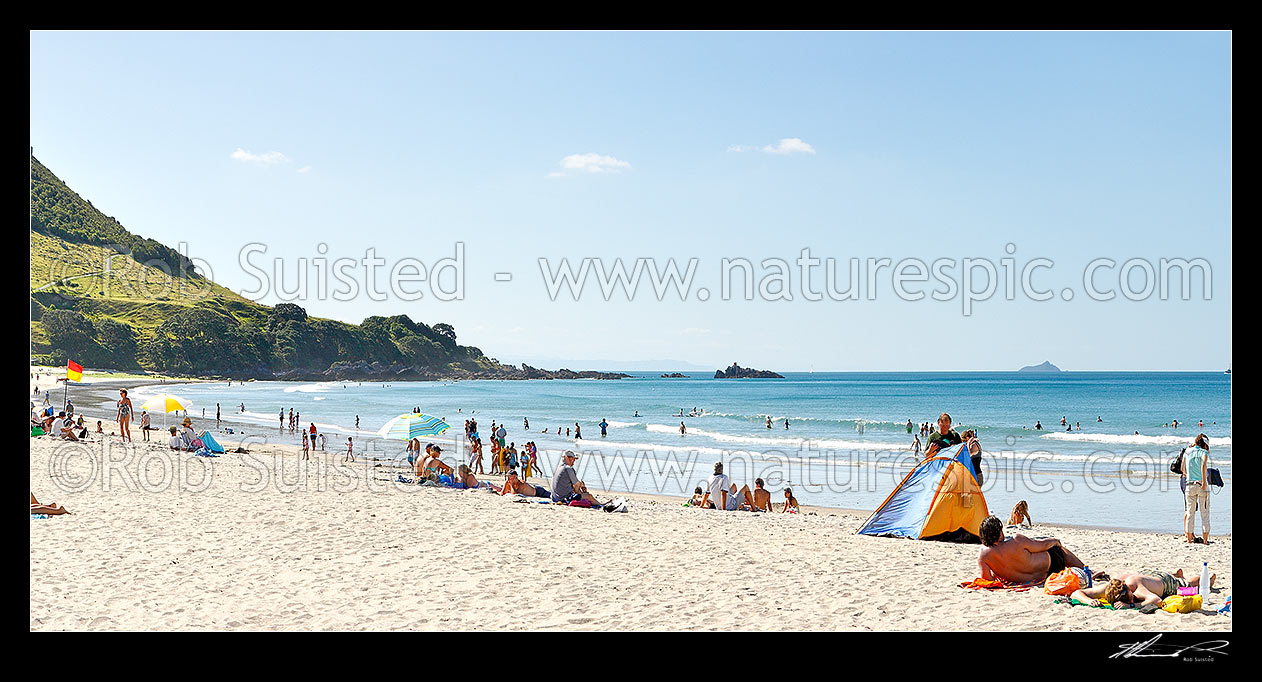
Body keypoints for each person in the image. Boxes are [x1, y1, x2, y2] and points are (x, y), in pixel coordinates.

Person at [977, 516, 1085, 583]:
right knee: (1058, 550)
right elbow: (1042, 545)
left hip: (1030, 578)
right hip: (1051, 566)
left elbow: (987, 579)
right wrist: (1055, 541)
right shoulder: (1016, 540)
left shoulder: (983, 554)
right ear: (999, 531)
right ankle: (1086, 570)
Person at [1069, 570, 1215, 610]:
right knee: (1150, 579)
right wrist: (1089, 601)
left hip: (1167, 584)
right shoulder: (1111, 587)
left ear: (1128, 591)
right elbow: (1076, 592)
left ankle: (1209, 579)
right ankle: (1176, 573)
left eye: (1128, 597)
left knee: (1189, 585)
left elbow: (1157, 601)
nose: (1130, 599)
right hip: (1148, 576)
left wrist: (1131, 605)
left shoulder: (1136, 590)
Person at [1182, 433, 1211, 544]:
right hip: (1200, 484)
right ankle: (1205, 540)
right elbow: (1203, 465)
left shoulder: (1187, 452)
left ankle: (1189, 539)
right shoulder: (1203, 452)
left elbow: (1183, 468)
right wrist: (1204, 482)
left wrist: (1188, 474)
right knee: (1204, 513)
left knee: (1190, 513)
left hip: (1189, 484)